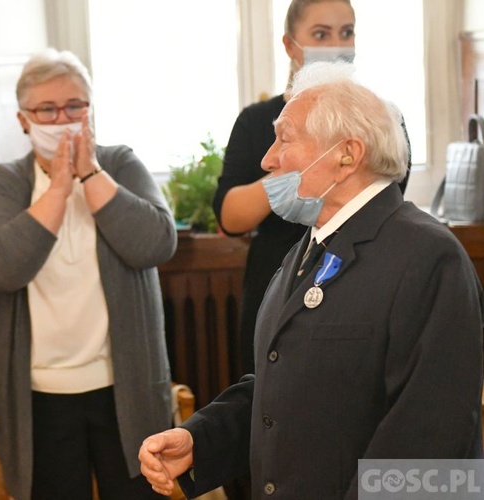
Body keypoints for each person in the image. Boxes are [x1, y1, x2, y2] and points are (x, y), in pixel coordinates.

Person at [139, 61, 484, 499]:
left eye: (284, 138)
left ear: (347, 154)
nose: (267, 159)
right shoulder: (312, 244)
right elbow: (287, 386)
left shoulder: (429, 256)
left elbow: (432, 440)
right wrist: (201, 441)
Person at [0, 48, 177, 500]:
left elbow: (155, 243)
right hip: (40, 396)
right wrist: (58, 190)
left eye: (74, 106)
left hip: (125, 387)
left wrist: (88, 173)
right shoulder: (5, 182)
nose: (61, 118)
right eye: (47, 109)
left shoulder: (119, 164)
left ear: (90, 111)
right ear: (24, 120)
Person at [213, 0, 411, 377]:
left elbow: (387, 200)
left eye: (346, 32)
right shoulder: (256, 122)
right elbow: (231, 214)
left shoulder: (382, 119)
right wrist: (295, 158)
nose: (337, 44)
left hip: (358, 279)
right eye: (321, 34)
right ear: (290, 45)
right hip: (277, 276)